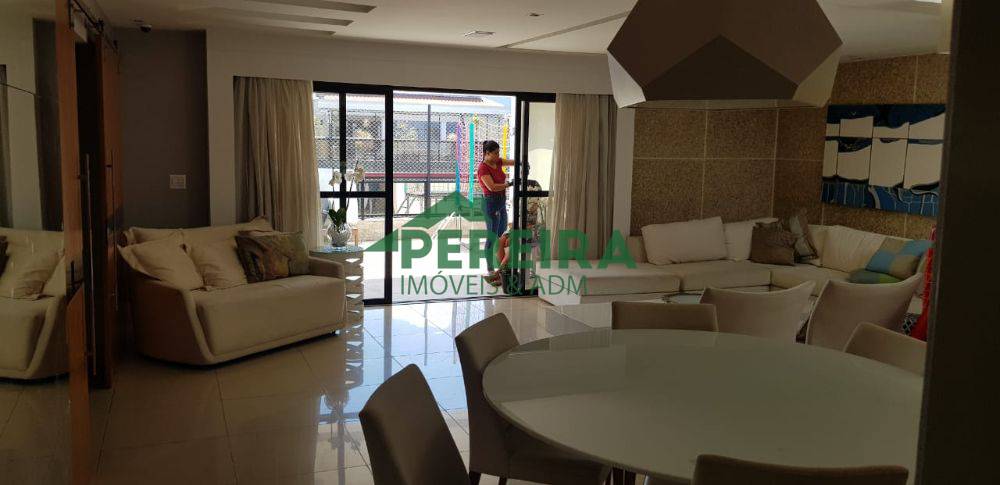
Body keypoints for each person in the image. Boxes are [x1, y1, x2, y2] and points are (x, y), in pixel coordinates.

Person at [476, 140, 514, 271]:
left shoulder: (497, 162)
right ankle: (490, 268)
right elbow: (491, 187)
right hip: (491, 203)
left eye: (499, 152)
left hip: (501, 202)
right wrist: (509, 184)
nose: (498, 155)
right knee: (492, 237)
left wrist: (523, 162)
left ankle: (500, 265)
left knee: (501, 234)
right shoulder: (483, 168)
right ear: (487, 153)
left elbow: (513, 162)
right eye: (496, 153)